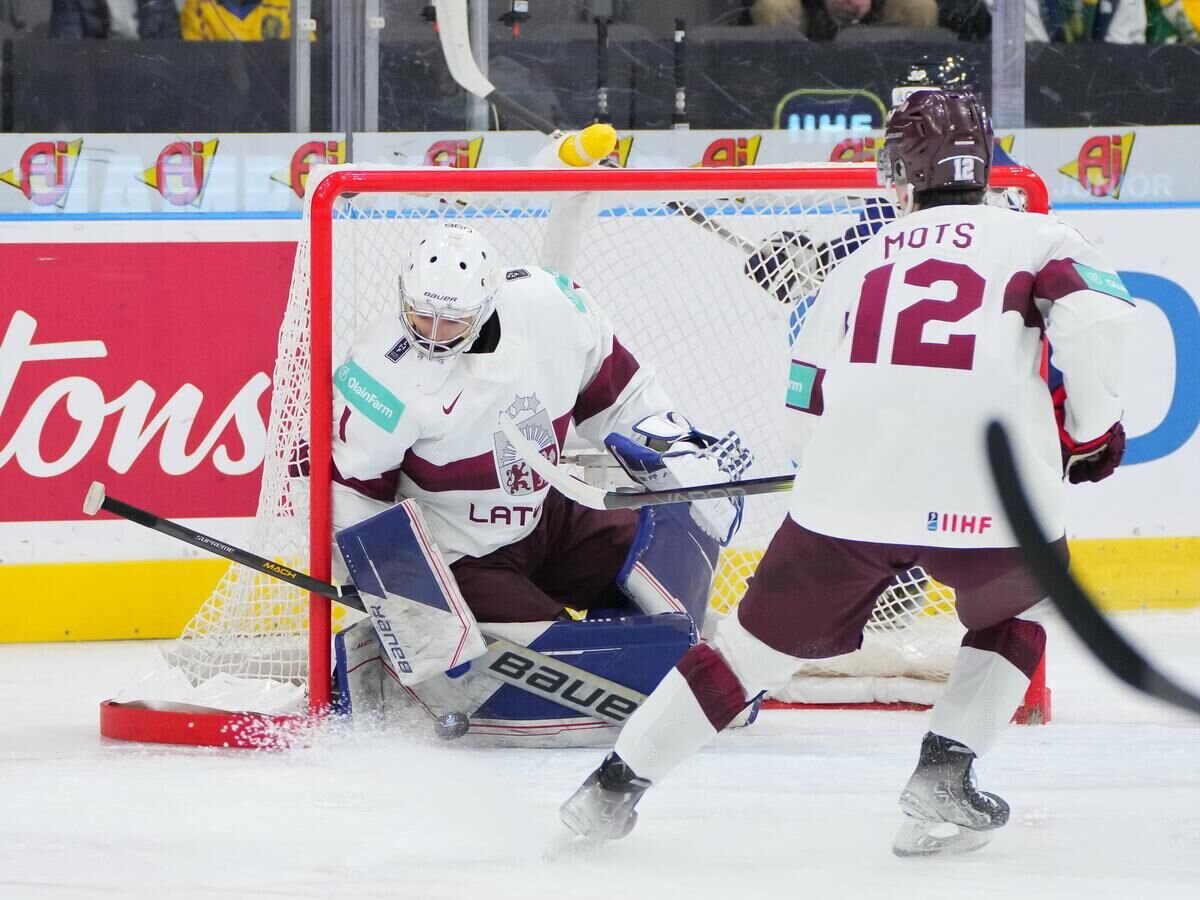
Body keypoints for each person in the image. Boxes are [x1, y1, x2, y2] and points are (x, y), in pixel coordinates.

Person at [558, 89, 1134, 856]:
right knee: (1020, 609)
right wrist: (1092, 432)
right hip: (991, 499)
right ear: (984, 163)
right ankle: (945, 772)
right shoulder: (1042, 237)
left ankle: (612, 787)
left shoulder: (860, 259)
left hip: (848, 499)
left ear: (902, 172)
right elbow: (1100, 321)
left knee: (746, 658)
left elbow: (804, 407)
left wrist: (840, 469)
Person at [330, 220, 751, 626]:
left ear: (486, 302)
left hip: (543, 514)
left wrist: (678, 451)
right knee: (569, 660)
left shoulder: (553, 309)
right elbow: (353, 496)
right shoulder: (379, 372)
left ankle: (691, 655)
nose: (432, 335)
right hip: (456, 553)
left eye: (453, 320)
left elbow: (623, 398)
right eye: (421, 315)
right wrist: (400, 596)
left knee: (667, 544)